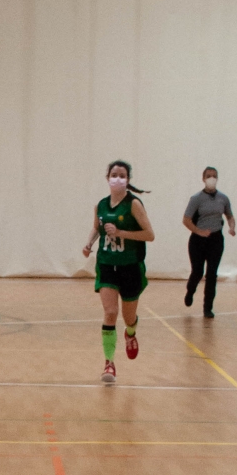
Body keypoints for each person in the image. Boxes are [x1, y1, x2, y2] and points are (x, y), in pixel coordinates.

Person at [82, 161, 155, 385]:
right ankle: (109, 363)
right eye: (114, 174)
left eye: (122, 175)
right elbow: (97, 227)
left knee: (128, 317)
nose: (117, 178)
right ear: (107, 178)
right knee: (110, 313)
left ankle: (130, 333)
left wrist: (121, 232)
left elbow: (149, 235)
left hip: (130, 266)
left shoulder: (134, 205)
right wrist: (89, 243)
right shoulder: (101, 205)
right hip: (107, 264)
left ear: (128, 180)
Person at [183, 167, 235, 317]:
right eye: (208, 176)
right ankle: (190, 291)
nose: (211, 178)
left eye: (214, 176)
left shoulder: (223, 198)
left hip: (216, 240)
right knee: (197, 272)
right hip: (198, 241)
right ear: (203, 178)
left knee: (212, 274)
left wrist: (232, 227)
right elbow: (186, 220)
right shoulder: (196, 198)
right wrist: (198, 231)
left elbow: (229, 216)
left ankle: (207, 308)